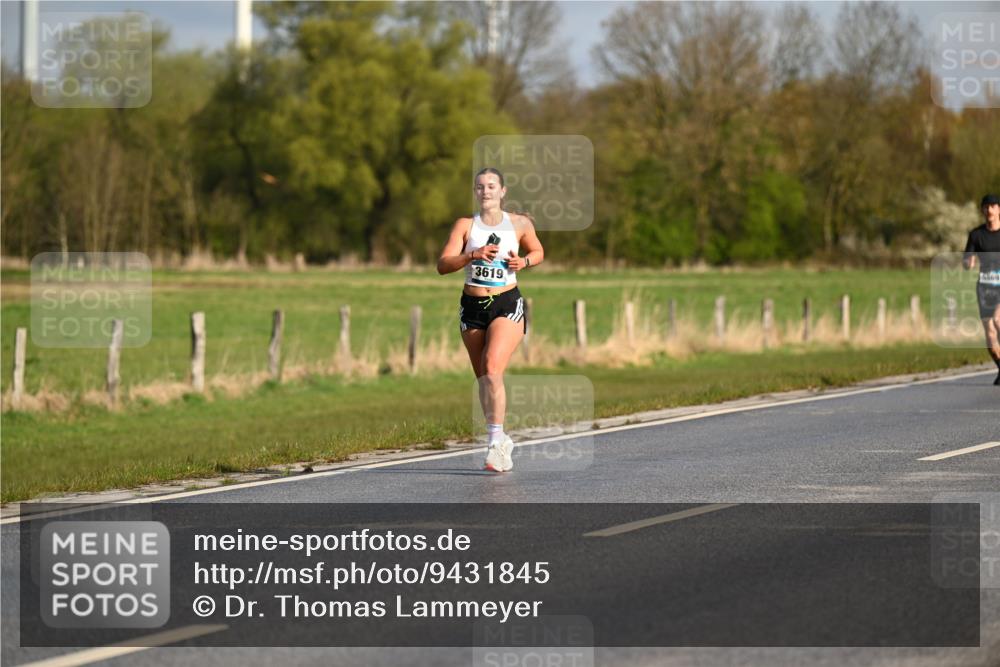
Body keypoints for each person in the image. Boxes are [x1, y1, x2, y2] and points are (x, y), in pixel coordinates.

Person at [437, 168, 545, 471]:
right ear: (475, 192)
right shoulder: (465, 225)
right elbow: (443, 264)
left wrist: (523, 261)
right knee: (484, 379)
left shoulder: (520, 223)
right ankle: (498, 436)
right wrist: (472, 255)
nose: (486, 191)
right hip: (471, 306)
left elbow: (538, 251)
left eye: (492, 186)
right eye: (480, 187)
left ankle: (496, 445)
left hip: (506, 302)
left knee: (492, 365)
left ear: (502, 191)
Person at [963, 193, 1000, 385]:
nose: (989, 210)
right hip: (985, 286)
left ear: (999, 210)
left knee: (998, 319)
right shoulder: (976, 235)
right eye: (986, 207)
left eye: (993, 206)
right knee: (990, 333)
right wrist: (968, 262)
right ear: (982, 210)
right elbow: (966, 259)